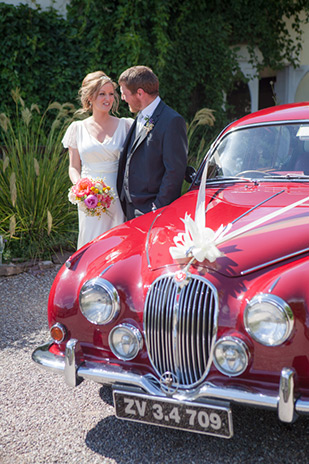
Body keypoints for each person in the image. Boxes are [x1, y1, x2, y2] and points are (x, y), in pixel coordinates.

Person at [62, 71, 133, 249]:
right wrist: (82, 190)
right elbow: (73, 167)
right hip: (89, 199)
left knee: (115, 243)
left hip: (117, 196)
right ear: (90, 98)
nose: (107, 99)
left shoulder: (126, 125)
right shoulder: (77, 128)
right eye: (102, 94)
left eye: (111, 94)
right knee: (90, 242)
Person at [117, 65, 188, 220]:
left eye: (125, 94)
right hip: (131, 209)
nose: (123, 98)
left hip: (151, 211)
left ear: (140, 93)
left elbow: (174, 170)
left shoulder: (172, 121)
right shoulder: (141, 116)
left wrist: (157, 208)